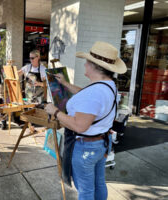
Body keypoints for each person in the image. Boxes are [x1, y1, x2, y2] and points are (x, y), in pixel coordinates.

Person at [45, 41, 127, 200]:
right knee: (99, 183)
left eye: (87, 61)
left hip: (86, 147)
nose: (85, 64)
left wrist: (54, 111)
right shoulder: (107, 85)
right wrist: (65, 83)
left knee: (86, 191)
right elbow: (87, 97)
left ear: (94, 66)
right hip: (101, 142)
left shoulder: (94, 93)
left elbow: (79, 126)